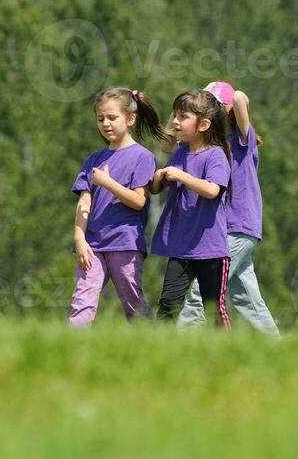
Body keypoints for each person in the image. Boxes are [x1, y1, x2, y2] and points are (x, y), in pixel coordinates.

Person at [178, 81, 280, 336]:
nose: (208, 113)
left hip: (237, 226)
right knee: (247, 298)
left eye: (213, 107)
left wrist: (226, 100)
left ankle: (176, 342)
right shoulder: (209, 145)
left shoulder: (243, 139)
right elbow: (173, 136)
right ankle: (276, 345)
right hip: (224, 230)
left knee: (201, 292)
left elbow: (241, 99)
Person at [68, 88, 169, 327]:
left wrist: (108, 183)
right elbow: (84, 202)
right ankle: (70, 348)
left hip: (125, 242)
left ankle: (152, 344)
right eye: (100, 118)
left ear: (130, 119)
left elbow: (138, 201)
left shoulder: (142, 157)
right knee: (82, 300)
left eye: (112, 117)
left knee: (133, 302)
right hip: (92, 245)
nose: (105, 123)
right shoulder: (93, 159)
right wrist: (79, 238)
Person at [150, 89, 232, 329]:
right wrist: (158, 176)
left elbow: (212, 190)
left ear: (204, 124)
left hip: (211, 250)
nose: (175, 122)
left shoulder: (216, 155)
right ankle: (158, 351)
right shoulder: (180, 153)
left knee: (213, 308)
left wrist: (182, 176)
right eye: (175, 115)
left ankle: (228, 351)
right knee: (168, 303)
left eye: (182, 117)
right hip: (181, 248)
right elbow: (157, 189)